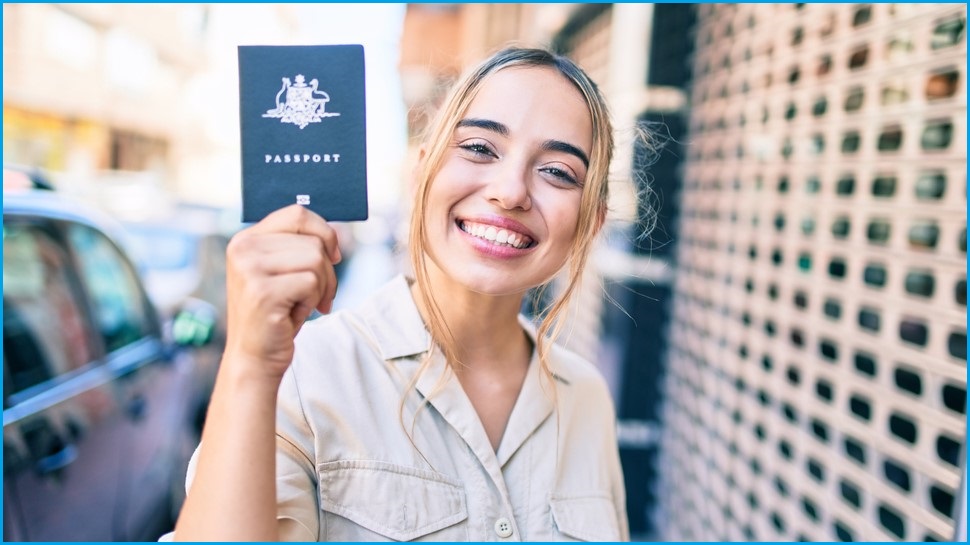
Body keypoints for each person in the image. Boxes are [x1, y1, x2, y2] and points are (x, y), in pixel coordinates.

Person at [170, 46, 639, 542]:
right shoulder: (303, 374)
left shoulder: (587, 399)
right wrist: (248, 365)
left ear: (592, 223)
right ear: (421, 176)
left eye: (558, 172)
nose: (511, 191)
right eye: (479, 147)